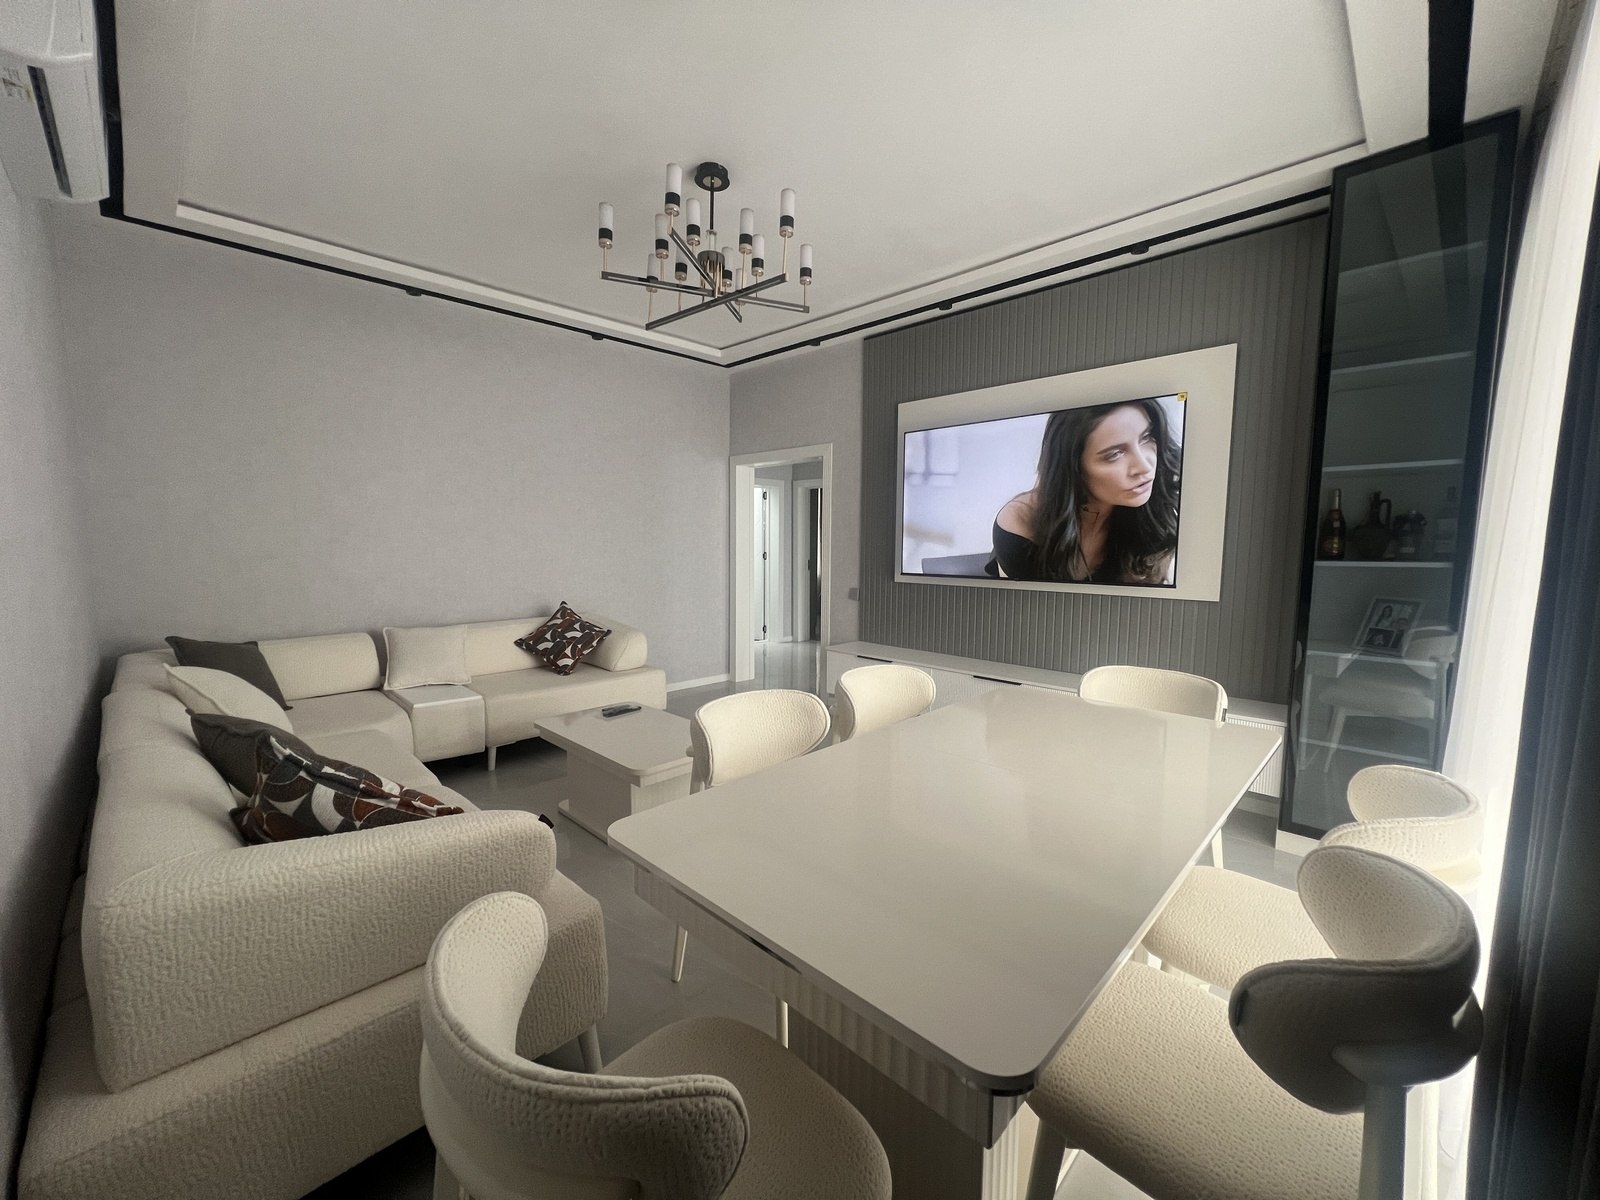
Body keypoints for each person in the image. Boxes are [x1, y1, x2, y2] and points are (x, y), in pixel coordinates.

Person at [991, 398, 1181, 584]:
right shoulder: (1020, 526)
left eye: (1146, 437)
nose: (1145, 466)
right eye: (1114, 454)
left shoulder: (1154, 508)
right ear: (1074, 467)